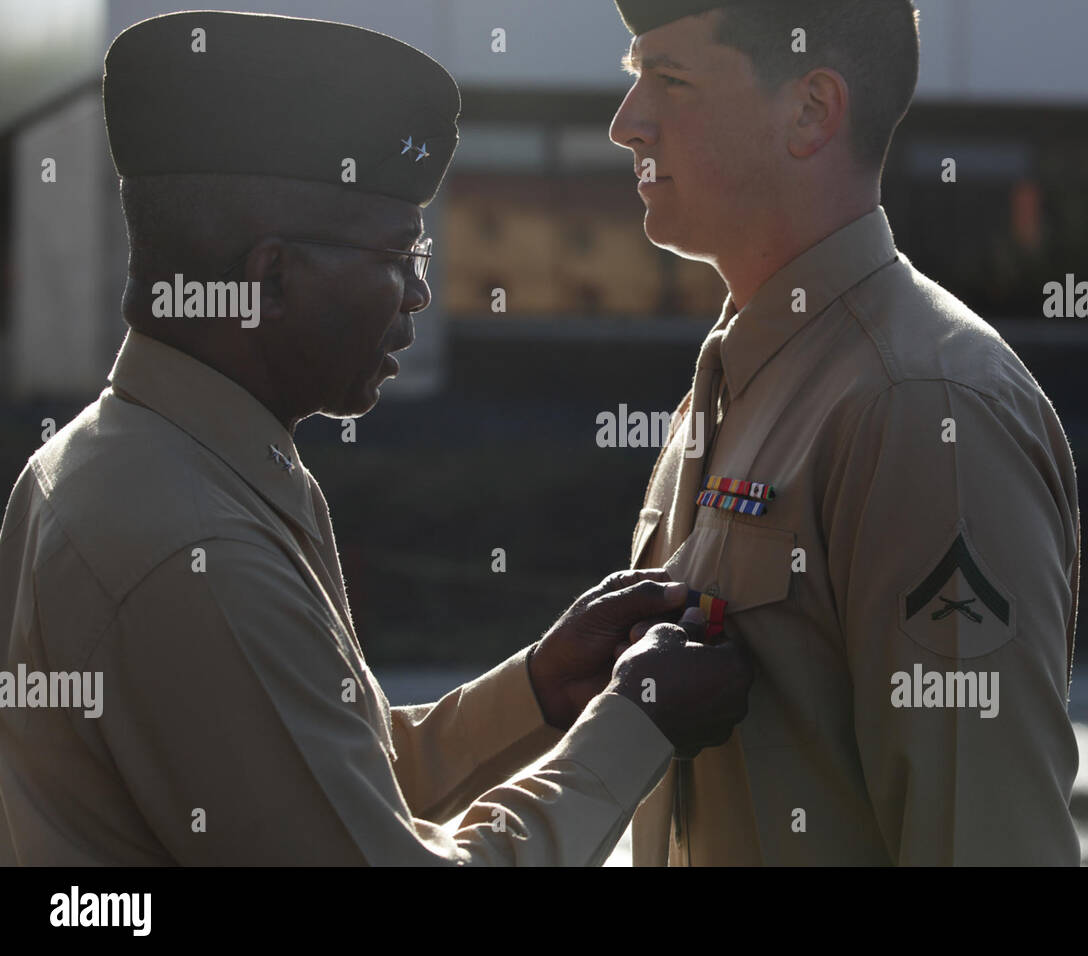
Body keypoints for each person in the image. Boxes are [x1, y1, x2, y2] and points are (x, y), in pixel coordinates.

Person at [0, 10, 753, 866]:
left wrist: (542, 689)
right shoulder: (193, 545)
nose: (417, 295)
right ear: (271, 277)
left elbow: (324, 781)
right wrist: (635, 727)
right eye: (400, 253)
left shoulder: (116, 461)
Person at [609, 0, 1082, 864]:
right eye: (633, 75)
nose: (625, 123)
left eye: (668, 80)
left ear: (810, 112)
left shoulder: (924, 404)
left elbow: (982, 837)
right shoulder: (740, 376)